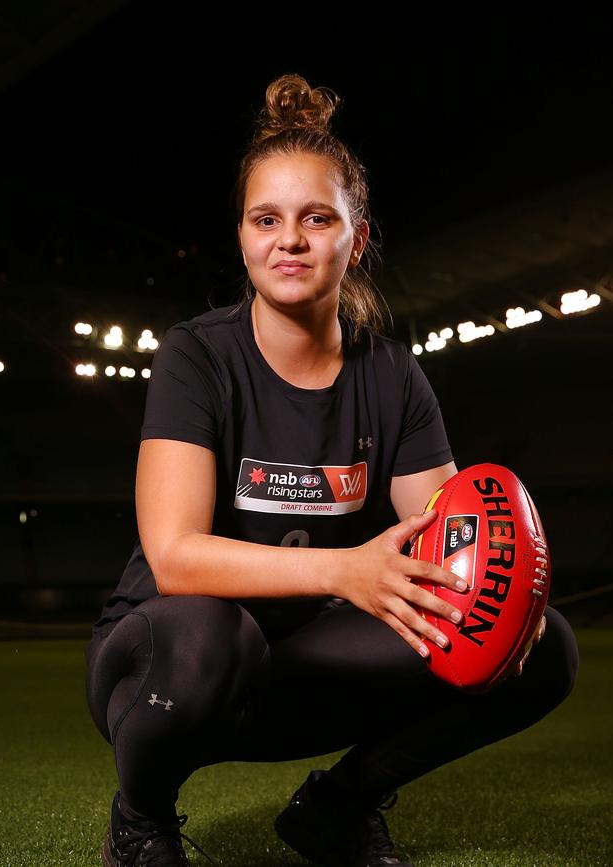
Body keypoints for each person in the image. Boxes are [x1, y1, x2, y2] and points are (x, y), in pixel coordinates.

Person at [84, 73, 579, 867]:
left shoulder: (392, 375)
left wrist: (501, 585)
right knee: (213, 631)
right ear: (242, 236)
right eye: (266, 219)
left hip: (304, 669)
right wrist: (345, 570)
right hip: (171, 664)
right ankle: (141, 819)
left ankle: (337, 809)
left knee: (537, 641)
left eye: (318, 218)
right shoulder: (197, 355)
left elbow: (445, 550)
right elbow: (175, 557)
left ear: (358, 233)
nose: (291, 240)